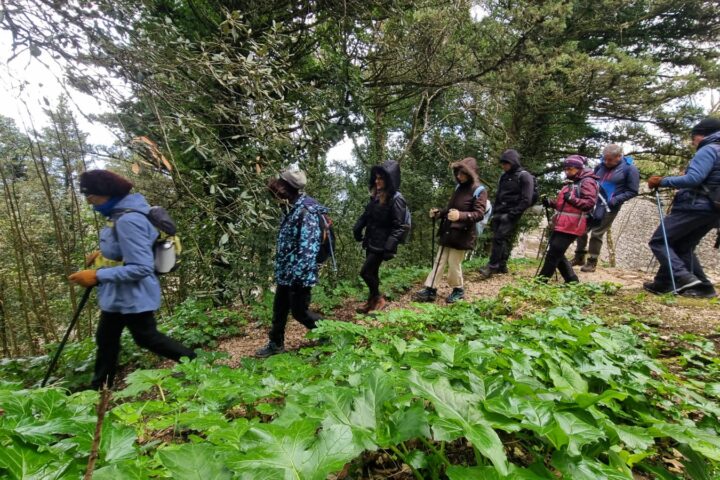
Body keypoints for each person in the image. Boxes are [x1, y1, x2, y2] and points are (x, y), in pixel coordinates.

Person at [69, 169, 196, 390]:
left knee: (147, 338)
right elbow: (125, 249)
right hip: (119, 295)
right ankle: (98, 388)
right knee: (106, 339)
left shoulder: (129, 219)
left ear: (105, 192)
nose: (88, 200)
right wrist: (103, 254)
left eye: (90, 194)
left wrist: (97, 276)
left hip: (134, 295)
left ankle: (195, 361)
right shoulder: (120, 213)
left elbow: (141, 267)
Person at [645, 118, 720, 298]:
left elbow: (693, 179)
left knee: (659, 240)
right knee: (683, 245)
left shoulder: (709, 149)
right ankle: (700, 288)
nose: (693, 143)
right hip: (714, 209)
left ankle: (683, 277)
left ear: (700, 135)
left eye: (693, 139)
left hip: (695, 206)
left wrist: (662, 181)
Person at [256, 170, 324, 357]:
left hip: (299, 276)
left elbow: (308, 248)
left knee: (300, 313)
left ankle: (329, 332)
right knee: (279, 310)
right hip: (286, 273)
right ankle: (275, 343)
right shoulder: (291, 208)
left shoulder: (306, 212)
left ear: (285, 188)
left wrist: (299, 277)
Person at [413, 157, 487, 303]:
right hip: (448, 232)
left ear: (470, 173)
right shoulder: (458, 188)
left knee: (454, 264)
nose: (458, 176)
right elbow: (449, 209)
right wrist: (439, 213)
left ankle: (458, 290)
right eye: (457, 173)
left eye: (462, 173)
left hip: (463, 235)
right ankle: (430, 289)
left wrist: (460, 215)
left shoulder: (479, 190)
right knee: (439, 261)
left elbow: (479, 214)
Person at [572, 144, 640, 272]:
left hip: (610, 206)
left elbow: (633, 191)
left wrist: (615, 201)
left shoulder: (630, 169)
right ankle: (579, 257)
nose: (606, 162)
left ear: (619, 156)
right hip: (593, 202)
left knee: (597, 232)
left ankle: (592, 262)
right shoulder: (600, 166)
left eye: (610, 159)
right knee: (581, 228)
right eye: (605, 158)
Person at [353, 160, 407, 313]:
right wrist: (357, 228)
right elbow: (367, 214)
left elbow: (399, 226)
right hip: (371, 240)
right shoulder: (377, 195)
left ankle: (379, 298)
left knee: (365, 272)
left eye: (381, 178)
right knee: (373, 272)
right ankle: (371, 301)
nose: (377, 181)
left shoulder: (397, 199)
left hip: (382, 244)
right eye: (376, 178)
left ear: (390, 180)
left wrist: (389, 246)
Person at [536, 155, 599, 283]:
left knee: (554, 253)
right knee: (556, 252)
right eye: (566, 169)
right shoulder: (572, 182)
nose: (567, 171)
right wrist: (551, 203)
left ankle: (540, 281)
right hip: (562, 223)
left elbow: (589, 203)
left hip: (573, 225)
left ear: (579, 168)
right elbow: (563, 204)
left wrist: (571, 198)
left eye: (570, 169)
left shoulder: (587, 181)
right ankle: (572, 280)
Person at [480, 149, 534, 278]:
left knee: (499, 237)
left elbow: (527, 199)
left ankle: (492, 267)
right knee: (500, 238)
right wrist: (494, 211)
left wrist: (513, 214)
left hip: (512, 212)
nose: (504, 166)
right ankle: (502, 265)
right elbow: (499, 195)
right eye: (502, 163)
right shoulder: (503, 176)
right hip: (499, 211)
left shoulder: (524, 176)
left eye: (506, 163)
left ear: (513, 162)